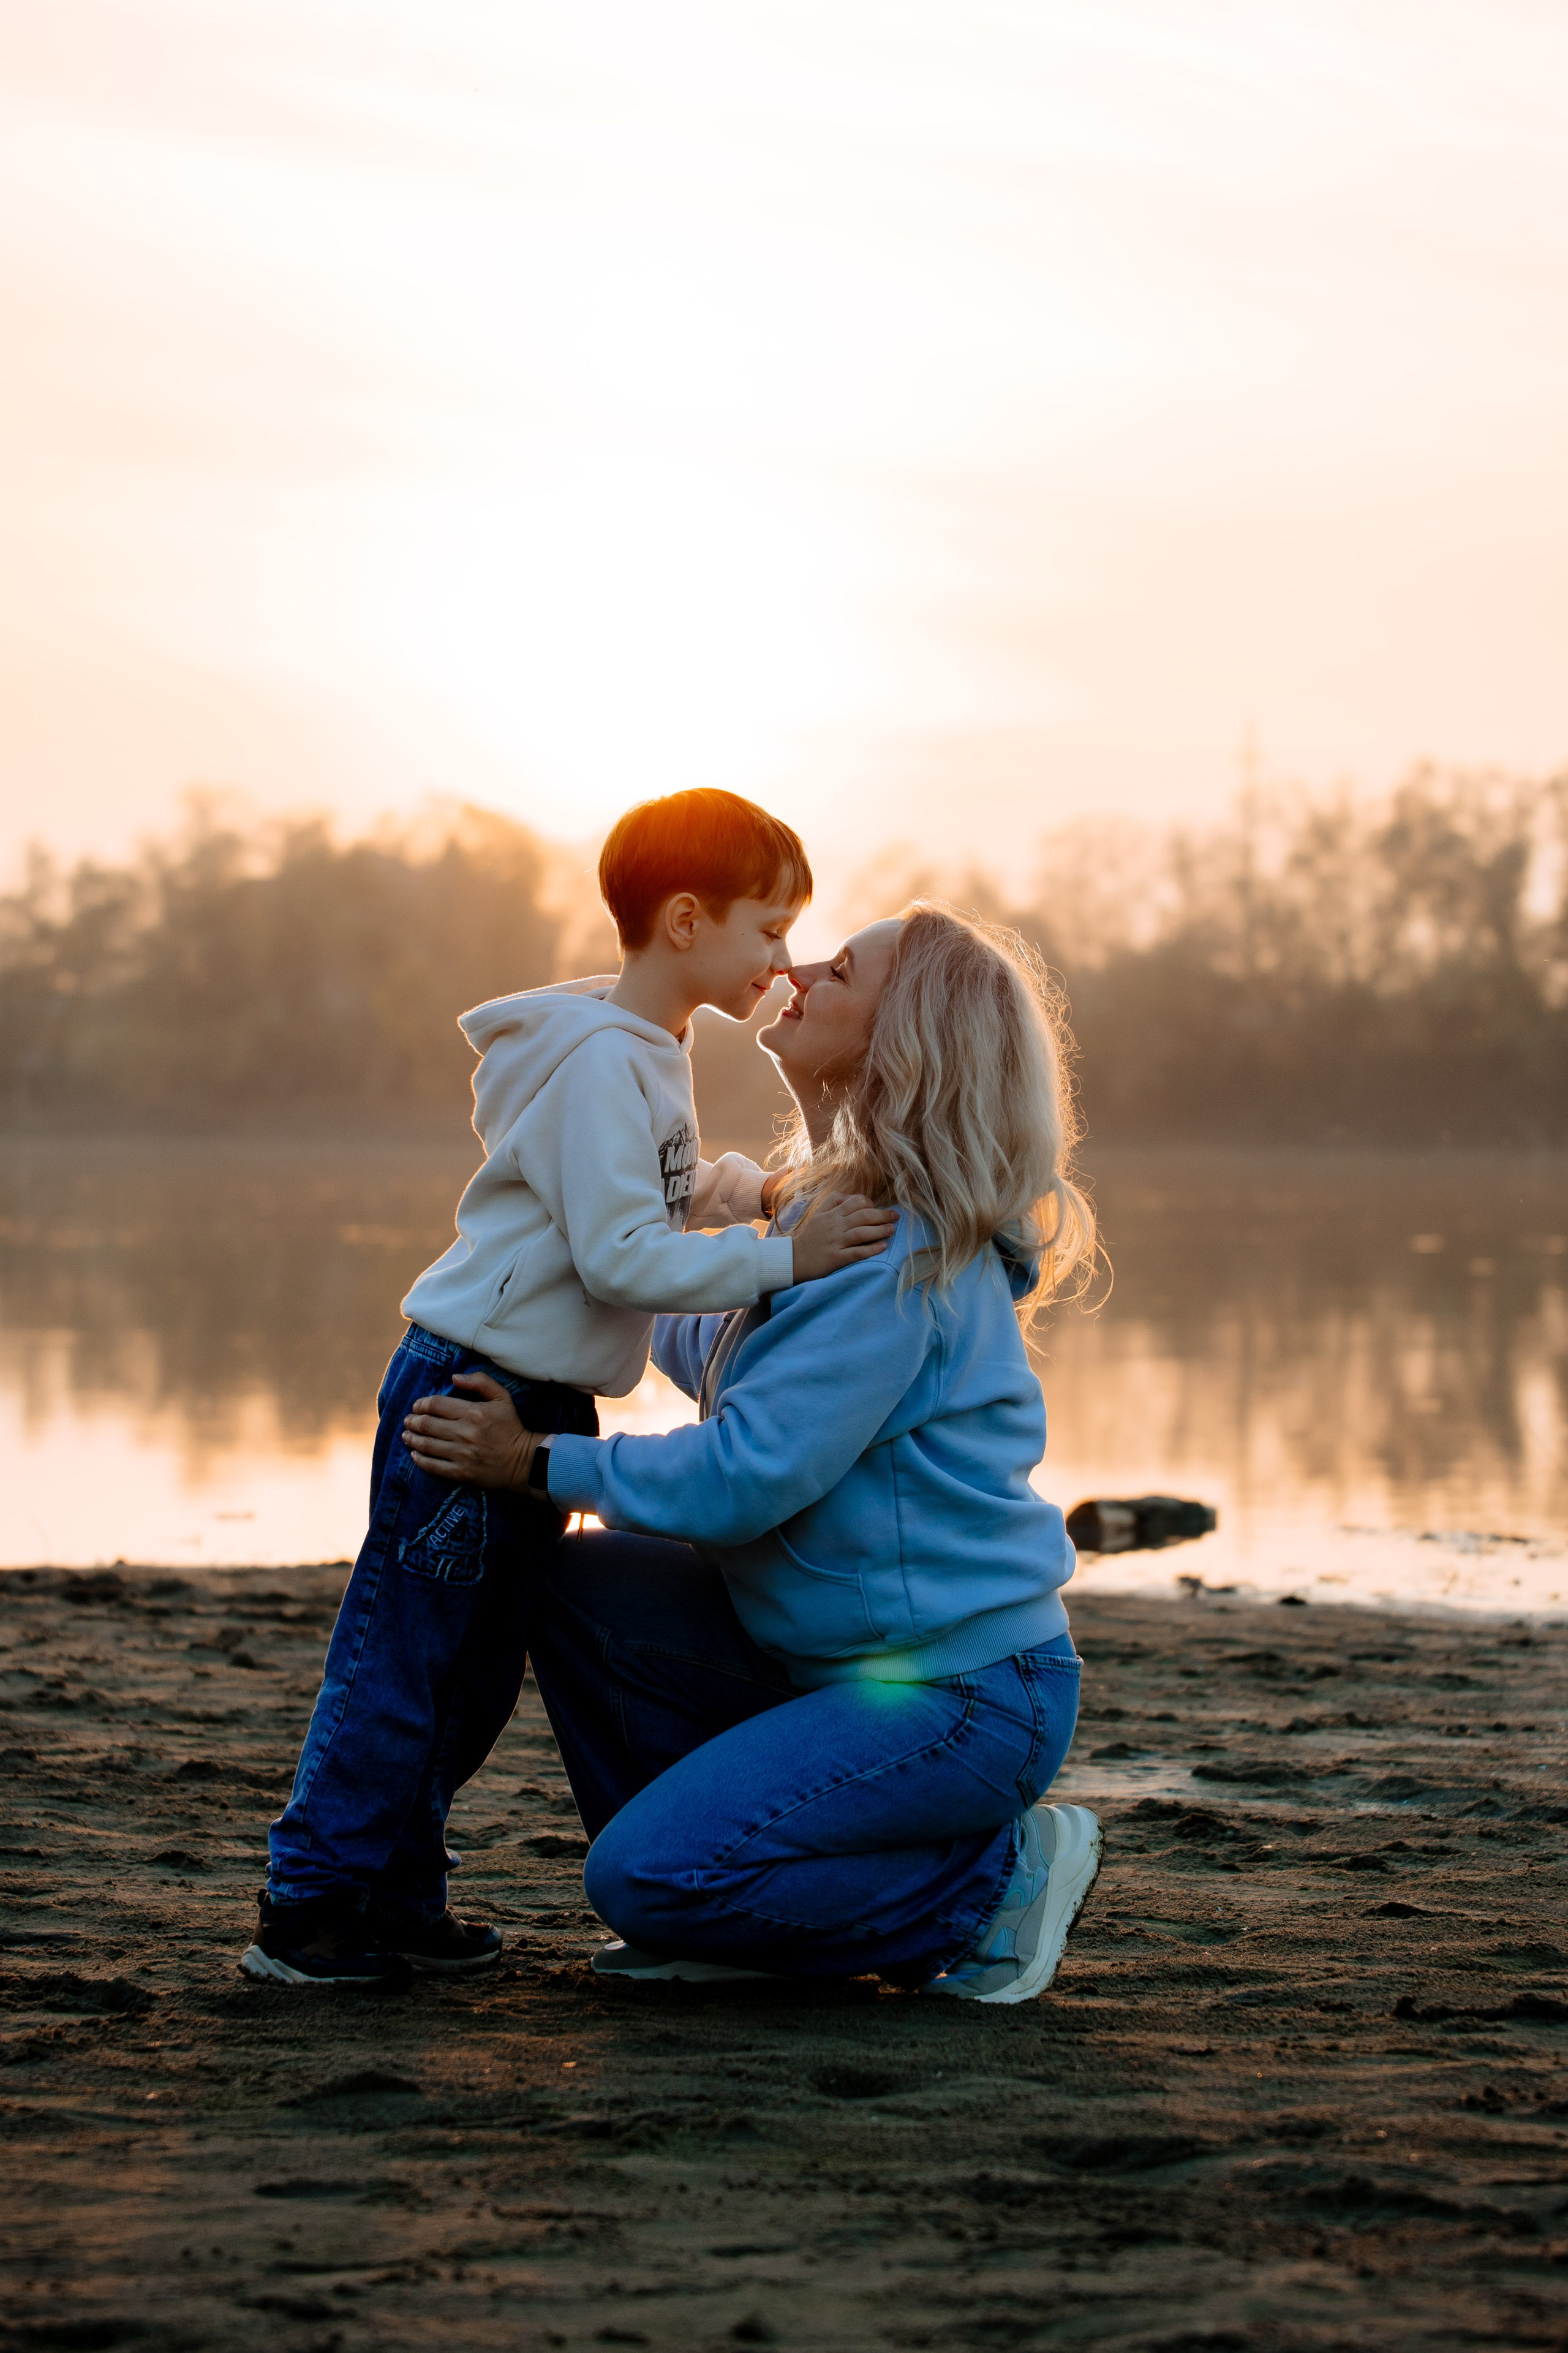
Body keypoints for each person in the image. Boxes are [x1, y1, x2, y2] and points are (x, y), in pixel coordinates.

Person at [242, 790, 895, 1989]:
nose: (782, 960)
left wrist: (745, 1190)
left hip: (541, 1401)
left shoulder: (646, 1047)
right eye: (767, 930)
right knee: (404, 1654)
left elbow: (657, 1185)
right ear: (686, 921)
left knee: (479, 1666)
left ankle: (396, 1897)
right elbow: (617, 1256)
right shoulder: (601, 1058)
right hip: (472, 1386)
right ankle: (309, 1903)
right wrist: (784, 1256)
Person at [403, 903, 1103, 2003]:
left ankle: (988, 1884)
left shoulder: (894, 1258)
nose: (801, 969)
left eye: (844, 968)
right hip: (839, 1664)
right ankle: (730, 1891)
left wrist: (538, 1459)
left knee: (642, 1880)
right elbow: (701, 1341)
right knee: (577, 1580)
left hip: (963, 1696)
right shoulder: (839, 1224)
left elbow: (743, 1475)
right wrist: (597, 1239)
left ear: (901, 1040)